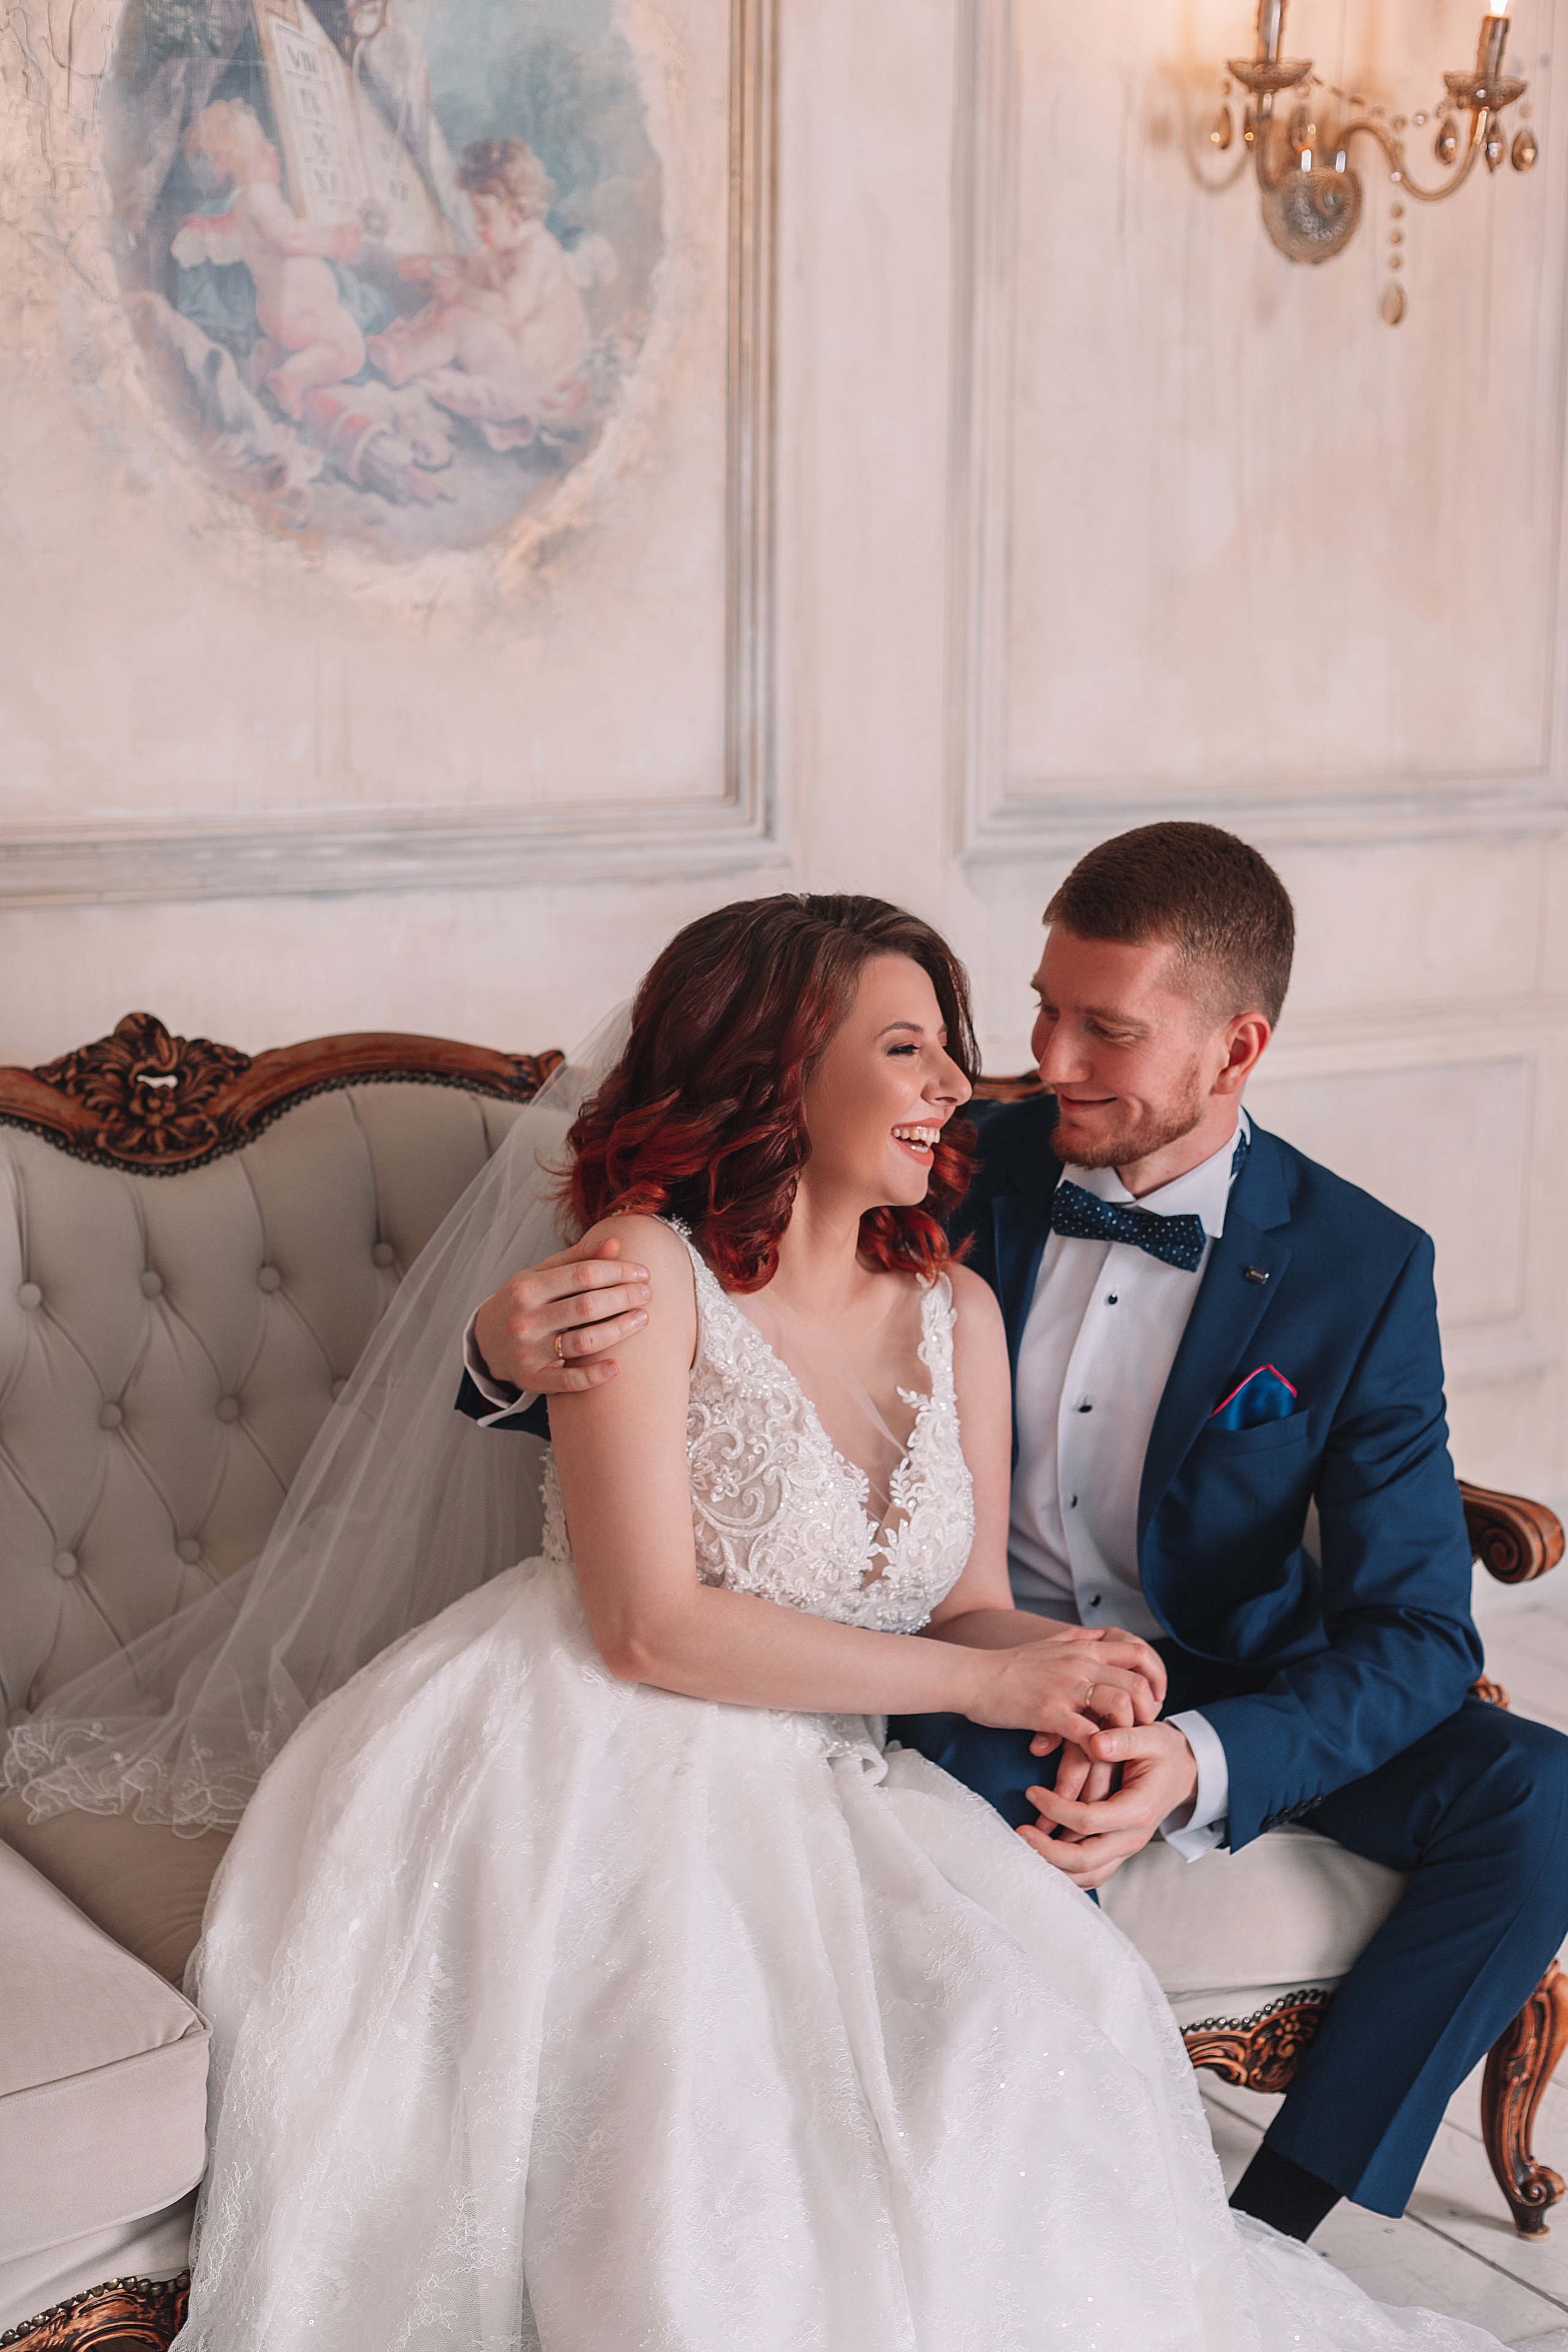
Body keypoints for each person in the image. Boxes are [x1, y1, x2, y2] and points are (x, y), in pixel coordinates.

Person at [157, 891, 1519, 2350]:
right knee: (702, 2146)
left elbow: (972, 1602)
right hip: (588, 1745)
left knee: (1032, 2030)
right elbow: (646, 1629)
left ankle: (1241, 2228)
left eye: (976, 1046)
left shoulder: (958, 1303)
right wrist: (982, 1680)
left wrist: (1076, 1674)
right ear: (777, 1069)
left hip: (846, 1751)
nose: (983, 1080)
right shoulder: (638, 1266)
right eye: (915, 1048)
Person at [462, 831, 1568, 2255]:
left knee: (1539, 1798)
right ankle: (987, 2213)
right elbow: (707, 1288)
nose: (1041, 1058)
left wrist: (1193, 1757)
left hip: (1219, 1676)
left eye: (1103, 1028)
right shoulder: (930, 1150)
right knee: (994, 1820)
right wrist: (497, 1352)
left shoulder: (1357, 1262)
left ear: (1234, 1048)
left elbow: (1419, 1630)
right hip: (953, 1656)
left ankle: (1273, 2219)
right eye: (1040, 1004)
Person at [368, 137, 597, 451]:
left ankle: (403, 364)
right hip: (513, 354)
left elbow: (509, 311)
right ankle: (408, 343)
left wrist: (460, 291)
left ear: (516, 214)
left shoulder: (537, 252)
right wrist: (432, 267)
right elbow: (464, 267)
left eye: (485, 219)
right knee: (448, 305)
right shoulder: (500, 246)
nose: (478, 228)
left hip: (534, 370)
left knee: (459, 319)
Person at [176, 102, 366, 418]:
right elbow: (291, 237)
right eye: (266, 150)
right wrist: (336, 240)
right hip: (300, 309)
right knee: (350, 350)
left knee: (302, 342)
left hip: (278, 311)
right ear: (254, 158)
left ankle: (268, 356)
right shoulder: (259, 196)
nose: (274, 153)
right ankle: (293, 378)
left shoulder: (247, 201)